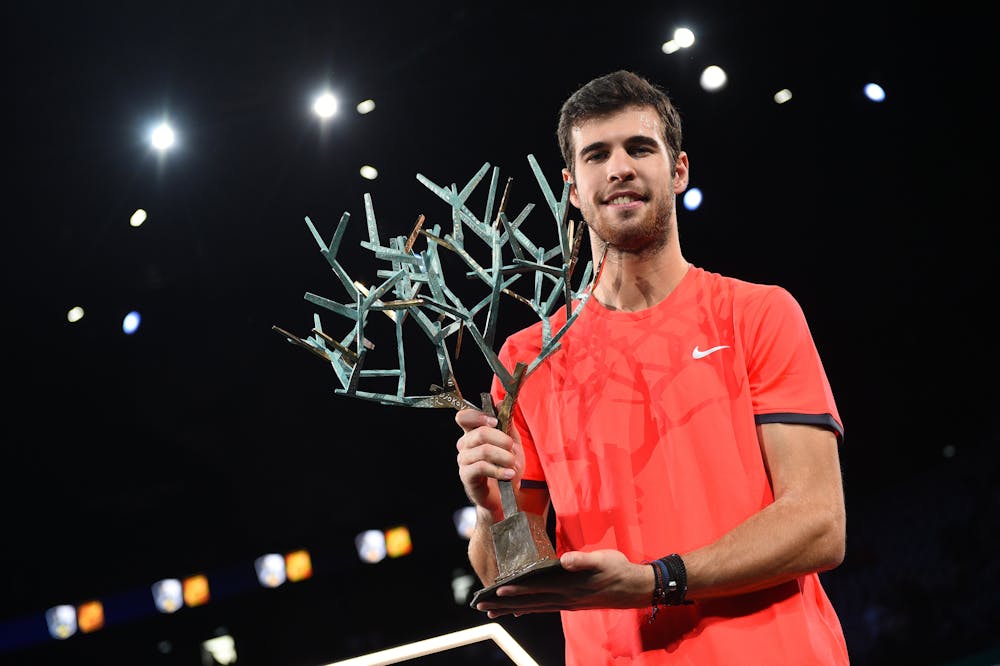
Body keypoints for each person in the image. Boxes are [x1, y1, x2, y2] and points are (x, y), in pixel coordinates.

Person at [454, 69, 849, 665]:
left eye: (640, 148)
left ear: (679, 168)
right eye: (597, 155)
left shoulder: (758, 314)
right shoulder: (524, 359)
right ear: (571, 186)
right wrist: (493, 510)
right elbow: (509, 580)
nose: (620, 168)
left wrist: (654, 581)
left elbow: (820, 524)